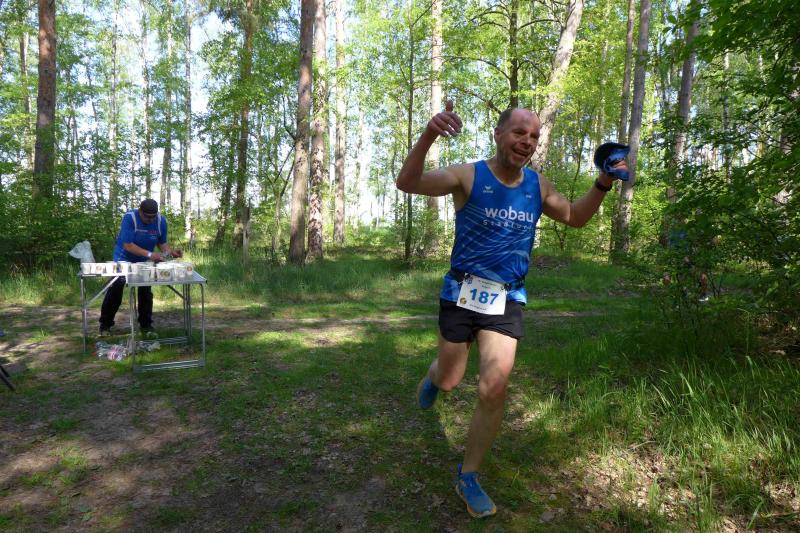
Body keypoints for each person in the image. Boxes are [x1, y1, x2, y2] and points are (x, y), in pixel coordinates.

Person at [395, 102, 627, 518]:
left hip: (507, 297)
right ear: (498, 134)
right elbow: (407, 182)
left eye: (534, 136)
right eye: (520, 132)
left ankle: (468, 476)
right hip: (462, 291)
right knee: (450, 380)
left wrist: (603, 182)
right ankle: (435, 376)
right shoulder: (468, 175)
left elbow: (575, 217)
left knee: (494, 388)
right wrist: (429, 133)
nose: (527, 141)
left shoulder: (537, 186)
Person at [99, 199, 182, 337]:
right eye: (147, 217)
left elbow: (162, 243)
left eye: (153, 217)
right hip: (123, 259)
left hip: (144, 261)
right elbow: (128, 245)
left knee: (145, 289)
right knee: (116, 287)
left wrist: (170, 253)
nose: (150, 220)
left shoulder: (161, 221)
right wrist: (150, 254)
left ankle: (146, 325)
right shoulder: (130, 218)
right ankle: (105, 325)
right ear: (140, 211)